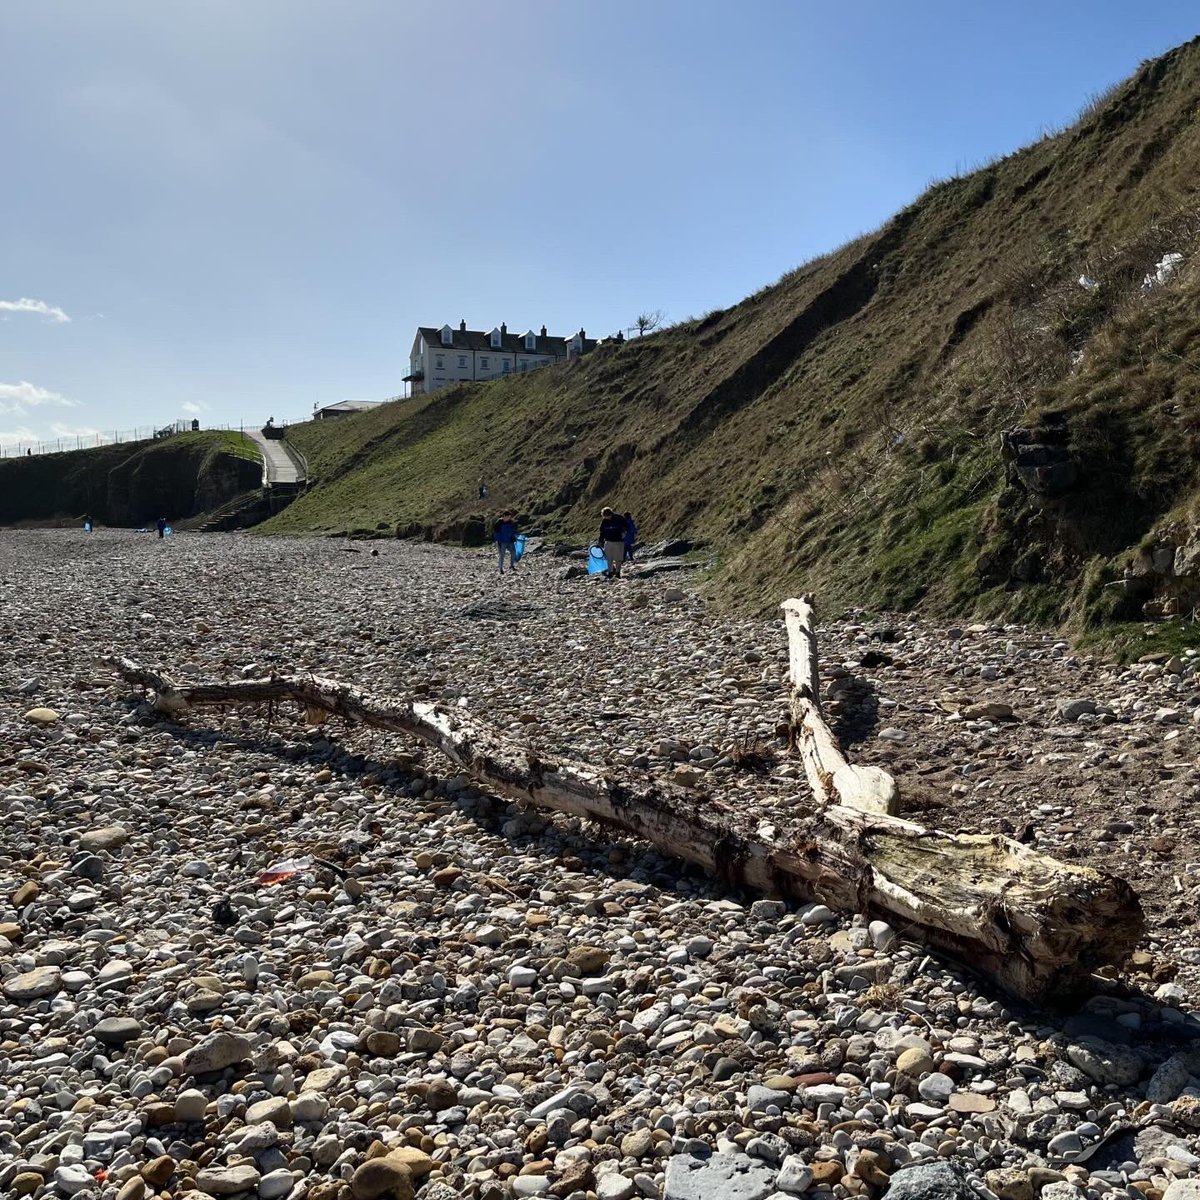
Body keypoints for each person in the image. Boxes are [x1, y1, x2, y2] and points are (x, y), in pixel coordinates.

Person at [598, 507, 628, 579]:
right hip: (608, 541)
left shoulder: (619, 518)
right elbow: (602, 532)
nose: (606, 518)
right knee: (608, 558)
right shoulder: (604, 521)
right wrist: (600, 541)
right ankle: (610, 573)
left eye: (607, 516)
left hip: (618, 541)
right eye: (604, 516)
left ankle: (618, 573)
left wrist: (624, 533)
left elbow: (627, 526)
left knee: (618, 559)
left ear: (610, 514)